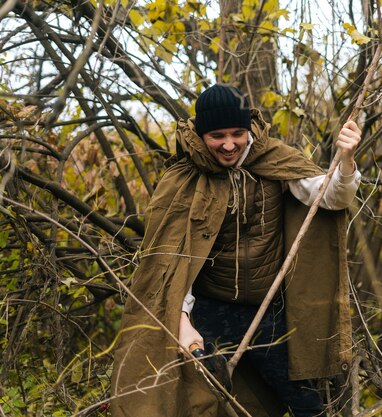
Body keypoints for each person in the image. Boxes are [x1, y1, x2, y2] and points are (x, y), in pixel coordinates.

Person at [111, 84, 361, 417]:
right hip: (212, 311)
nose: (229, 145)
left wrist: (345, 162)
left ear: (248, 130)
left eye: (237, 133)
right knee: (206, 400)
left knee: (305, 403)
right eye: (217, 136)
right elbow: (174, 261)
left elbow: (331, 197)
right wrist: (182, 321)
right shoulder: (184, 178)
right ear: (202, 136)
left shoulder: (273, 159)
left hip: (269, 311)